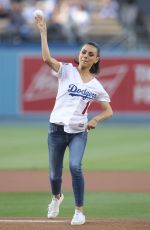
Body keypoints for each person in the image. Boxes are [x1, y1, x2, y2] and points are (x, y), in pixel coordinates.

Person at [35, 14, 113, 226]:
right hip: (56, 129)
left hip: (79, 131)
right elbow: (46, 59)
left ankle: (79, 211)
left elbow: (109, 111)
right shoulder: (67, 71)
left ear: (96, 59)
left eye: (90, 54)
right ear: (79, 55)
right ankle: (56, 197)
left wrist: (96, 120)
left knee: (75, 166)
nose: (85, 56)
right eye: (83, 52)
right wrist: (43, 33)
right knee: (54, 174)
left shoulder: (96, 86)